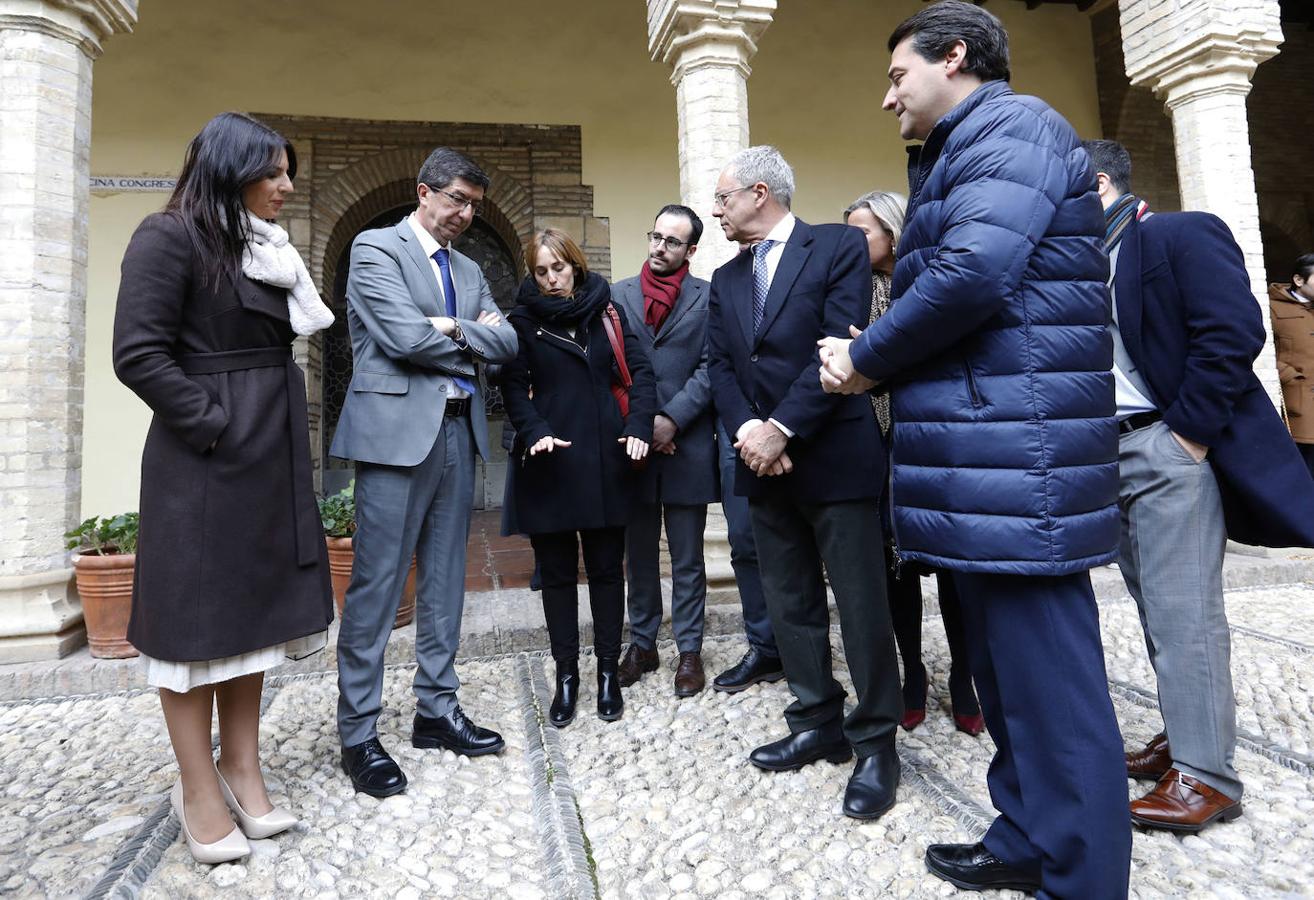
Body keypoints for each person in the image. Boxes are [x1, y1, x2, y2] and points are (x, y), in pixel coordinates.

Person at [818, 4, 1131, 894]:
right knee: (1005, 687)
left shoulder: (1016, 126)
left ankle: (1083, 878)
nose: (888, 98)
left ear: (955, 58)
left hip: (1017, 468)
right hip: (984, 465)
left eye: (896, 76)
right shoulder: (970, 145)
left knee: (1055, 697)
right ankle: (1027, 836)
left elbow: (972, 275)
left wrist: (862, 361)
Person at [113, 112, 335, 863]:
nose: (286, 185)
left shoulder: (266, 250)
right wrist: (214, 423)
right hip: (202, 461)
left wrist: (257, 428)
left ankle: (243, 767)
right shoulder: (166, 236)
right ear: (228, 168)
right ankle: (197, 782)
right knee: (197, 628)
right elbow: (138, 353)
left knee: (255, 619)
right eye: (272, 172)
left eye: (288, 171)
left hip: (268, 455)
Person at [1084, 140, 1314, 833]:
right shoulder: (1083, 263)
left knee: (1186, 617)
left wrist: (1187, 433)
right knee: (1155, 612)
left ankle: (1207, 779)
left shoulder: (1178, 233)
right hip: (1109, 453)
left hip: (1165, 445)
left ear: (1095, 184)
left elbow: (1233, 331)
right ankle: (1187, 739)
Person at [706, 145, 903, 821]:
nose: (716, 209)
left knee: (860, 604)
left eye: (724, 197)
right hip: (764, 466)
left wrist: (781, 429)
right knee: (789, 602)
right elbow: (722, 368)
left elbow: (837, 342)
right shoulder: (726, 278)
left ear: (761, 193)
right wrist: (750, 434)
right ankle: (817, 719)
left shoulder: (838, 248)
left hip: (833, 456)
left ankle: (876, 742)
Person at [330, 147, 518, 798]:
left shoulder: (468, 268)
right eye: (457, 199)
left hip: (456, 434)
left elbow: (509, 341)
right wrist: (469, 332)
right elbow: (402, 339)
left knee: (444, 585)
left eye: (475, 205)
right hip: (392, 438)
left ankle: (436, 711)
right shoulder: (374, 249)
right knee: (378, 588)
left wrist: (449, 327)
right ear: (424, 192)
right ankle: (358, 733)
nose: (466, 214)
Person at [502, 229, 656, 726]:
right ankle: (566, 675)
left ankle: (607, 672)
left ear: (576, 265)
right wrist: (534, 430)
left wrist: (638, 427)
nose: (551, 280)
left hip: (606, 457)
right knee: (558, 575)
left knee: (609, 571)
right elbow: (511, 387)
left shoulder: (607, 311)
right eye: (541, 272)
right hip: (549, 461)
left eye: (559, 268)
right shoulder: (522, 321)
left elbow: (641, 372)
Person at [844, 189, 983, 737]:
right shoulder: (851, 293)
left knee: (954, 575)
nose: (850, 243)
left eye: (862, 232)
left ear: (894, 234)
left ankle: (966, 678)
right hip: (879, 451)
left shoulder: (931, 290)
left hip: (938, 448)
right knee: (894, 573)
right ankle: (913, 675)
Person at [612, 206, 719, 697]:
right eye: (655, 236)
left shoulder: (708, 297)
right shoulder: (617, 296)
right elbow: (612, 369)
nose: (659, 247)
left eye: (672, 241)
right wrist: (641, 422)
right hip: (633, 446)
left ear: (690, 250)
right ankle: (643, 643)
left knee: (687, 557)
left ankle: (689, 650)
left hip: (686, 444)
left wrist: (671, 419)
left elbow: (711, 366)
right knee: (638, 553)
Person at [1269, 254, 1314, 478]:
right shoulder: (1272, 307)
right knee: (1303, 468)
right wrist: (1288, 375)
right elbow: (1260, 351)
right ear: (1299, 280)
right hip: (1297, 401)